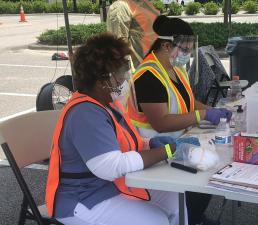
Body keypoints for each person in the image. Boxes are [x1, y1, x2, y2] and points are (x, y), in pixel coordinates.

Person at [45, 33, 191, 225]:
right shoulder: (85, 113)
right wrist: (165, 152)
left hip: (109, 186)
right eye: (120, 74)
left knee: (175, 200)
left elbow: (121, 142)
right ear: (101, 81)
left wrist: (149, 143)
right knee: (156, 221)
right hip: (82, 198)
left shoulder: (106, 103)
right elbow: (111, 167)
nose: (124, 79)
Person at [126, 15, 232, 225]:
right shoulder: (148, 76)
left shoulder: (176, 68)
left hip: (181, 140)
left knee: (211, 169)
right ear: (166, 46)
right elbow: (161, 123)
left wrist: (214, 110)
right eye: (184, 50)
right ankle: (190, 218)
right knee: (201, 177)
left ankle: (194, 217)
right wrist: (202, 115)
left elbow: (189, 102)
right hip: (157, 147)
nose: (188, 54)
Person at [106, 0, 159, 69]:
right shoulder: (120, 7)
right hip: (136, 71)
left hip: (152, 67)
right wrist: (127, 76)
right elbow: (118, 47)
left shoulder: (145, 4)